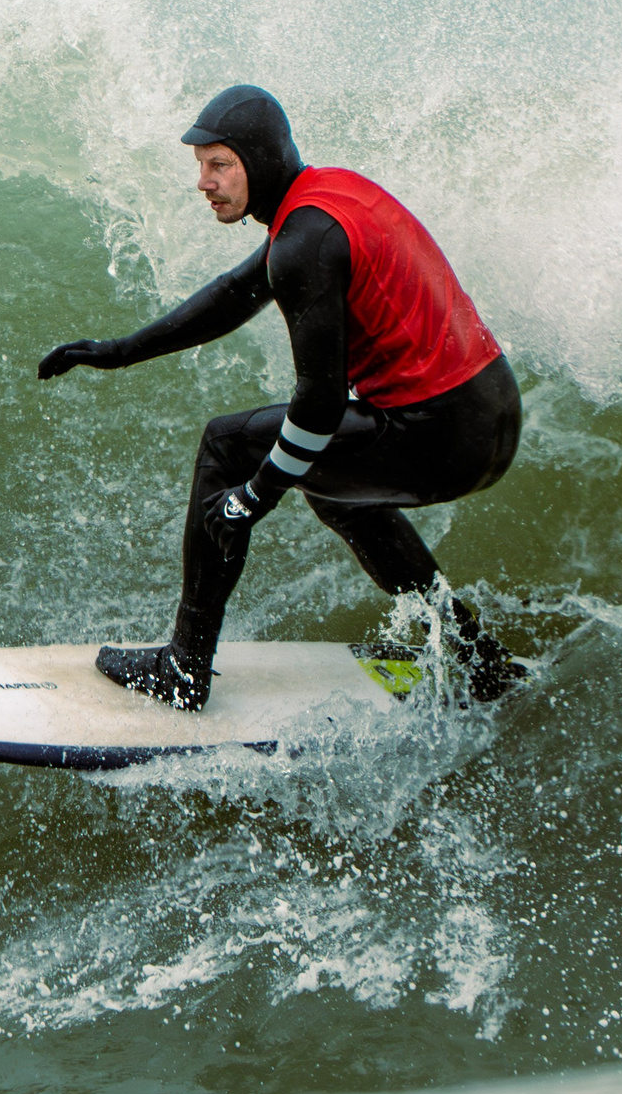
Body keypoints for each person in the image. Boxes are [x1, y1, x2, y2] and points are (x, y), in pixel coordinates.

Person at [37, 84, 523, 711]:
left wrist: (253, 495)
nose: (204, 183)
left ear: (258, 162)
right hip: (488, 413)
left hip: (441, 432)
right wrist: (119, 350)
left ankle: (184, 668)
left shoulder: (305, 243)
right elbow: (236, 291)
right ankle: (475, 658)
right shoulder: (325, 197)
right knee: (337, 494)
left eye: (221, 165)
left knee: (227, 446)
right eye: (200, 166)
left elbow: (317, 406)